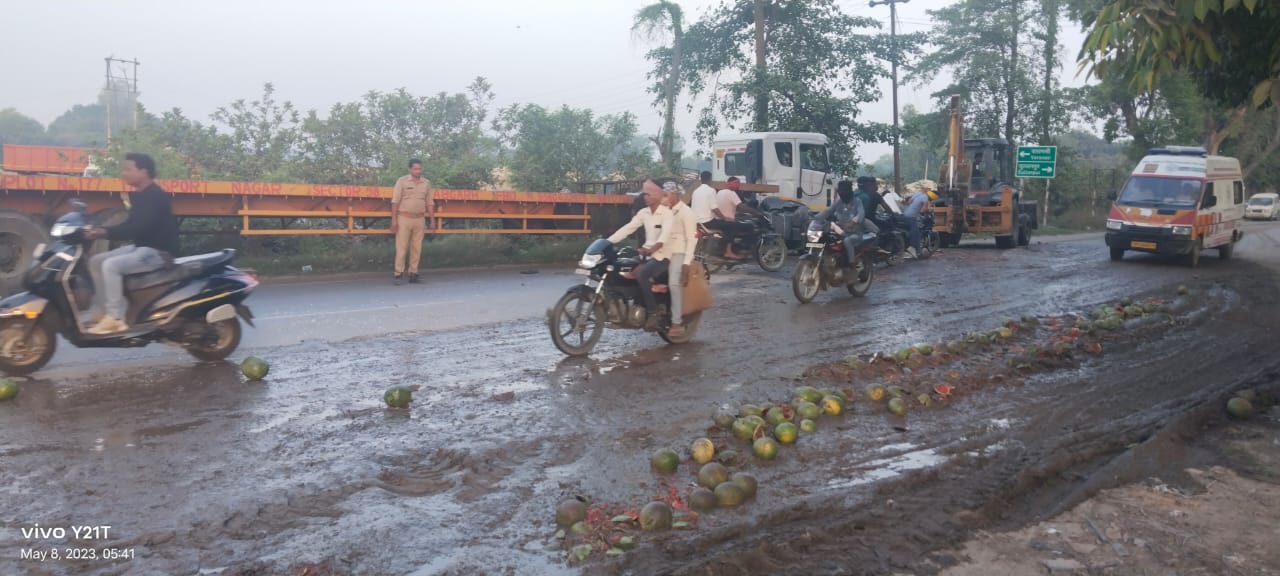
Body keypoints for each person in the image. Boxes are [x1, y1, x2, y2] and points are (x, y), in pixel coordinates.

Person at [82, 153, 180, 335]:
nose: (123, 174)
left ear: (144, 172)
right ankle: (102, 312)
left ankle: (116, 318)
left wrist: (105, 232)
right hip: (142, 248)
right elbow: (130, 224)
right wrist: (100, 229)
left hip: (158, 253)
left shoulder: (156, 196)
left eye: (128, 169)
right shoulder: (141, 195)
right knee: (96, 261)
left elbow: (138, 228)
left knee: (111, 265)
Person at [607, 180, 674, 331]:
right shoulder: (643, 213)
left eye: (648, 194)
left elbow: (665, 236)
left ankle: (653, 313)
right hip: (645, 254)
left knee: (642, 274)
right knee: (615, 268)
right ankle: (619, 310)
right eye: (644, 194)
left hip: (662, 257)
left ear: (657, 196)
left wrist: (653, 248)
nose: (645, 197)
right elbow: (628, 229)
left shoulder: (667, 214)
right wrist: (606, 242)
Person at [815, 181, 877, 281]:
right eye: (840, 190)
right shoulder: (838, 202)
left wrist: (853, 222)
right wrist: (815, 217)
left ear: (849, 190)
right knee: (828, 239)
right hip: (842, 232)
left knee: (847, 241)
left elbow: (861, 214)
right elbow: (828, 211)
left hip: (856, 233)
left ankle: (851, 265)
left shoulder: (857, 201)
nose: (841, 192)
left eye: (844, 190)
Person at [661, 180, 698, 338]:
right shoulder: (666, 211)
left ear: (675, 194)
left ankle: (677, 322)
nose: (665, 197)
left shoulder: (686, 212)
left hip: (680, 252)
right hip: (665, 252)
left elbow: (692, 239)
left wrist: (686, 264)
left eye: (667, 194)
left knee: (673, 284)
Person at [390, 158, 435, 285]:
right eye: (415, 169)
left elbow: (430, 203)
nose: (418, 171)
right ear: (410, 169)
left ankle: (413, 274)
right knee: (402, 247)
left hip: (420, 219)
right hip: (404, 218)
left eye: (420, 168)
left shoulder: (426, 183)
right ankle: (398, 274)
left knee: (417, 248)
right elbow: (395, 201)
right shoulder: (402, 181)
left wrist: (432, 220)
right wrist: (394, 220)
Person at [707, 177, 762, 259]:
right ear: (731, 184)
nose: (738, 186)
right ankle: (744, 249)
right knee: (749, 226)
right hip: (727, 221)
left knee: (738, 225)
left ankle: (734, 248)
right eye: (736, 184)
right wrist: (755, 212)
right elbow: (741, 207)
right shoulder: (731, 193)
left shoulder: (719, 192)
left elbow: (736, 207)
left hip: (719, 220)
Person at [901, 188, 937, 259]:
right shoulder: (926, 199)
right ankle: (916, 250)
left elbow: (907, 200)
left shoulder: (917, 193)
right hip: (910, 216)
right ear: (931, 198)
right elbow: (923, 210)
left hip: (904, 214)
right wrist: (928, 210)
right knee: (917, 233)